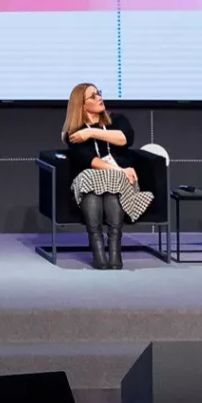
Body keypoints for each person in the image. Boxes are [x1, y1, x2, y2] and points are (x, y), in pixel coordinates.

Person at [62, 82, 151, 269]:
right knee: (91, 180)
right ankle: (98, 252)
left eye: (99, 93)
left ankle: (114, 251)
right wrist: (119, 170)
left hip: (122, 183)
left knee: (113, 184)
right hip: (94, 180)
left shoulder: (117, 120)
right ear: (81, 105)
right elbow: (89, 160)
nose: (99, 98)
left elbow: (125, 138)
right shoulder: (75, 133)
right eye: (93, 96)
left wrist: (91, 132)